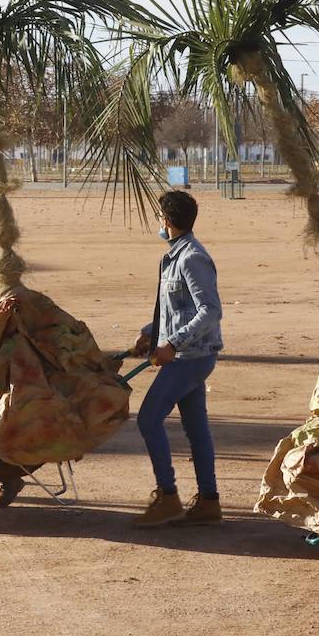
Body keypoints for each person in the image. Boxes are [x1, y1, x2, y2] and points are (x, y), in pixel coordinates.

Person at [128, 190, 224, 527]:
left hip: (191, 357)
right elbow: (176, 309)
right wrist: (150, 334)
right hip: (186, 354)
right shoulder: (176, 255)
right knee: (196, 429)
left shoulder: (191, 258)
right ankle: (209, 502)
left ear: (167, 220)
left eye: (160, 217)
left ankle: (168, 496)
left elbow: (210, 311)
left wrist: (172, 343)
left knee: (148, 418)